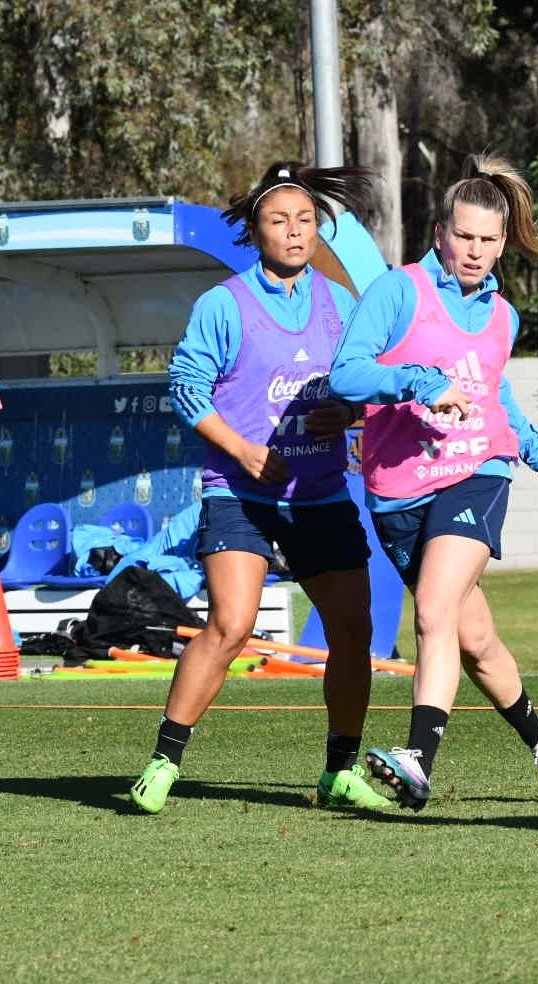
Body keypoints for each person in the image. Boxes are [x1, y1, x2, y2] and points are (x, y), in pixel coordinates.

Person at [329, 154, 538, 811]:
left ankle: (416, 760)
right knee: (474, 640)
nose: (475, 251)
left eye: (488, 240)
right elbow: (346, 376)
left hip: (478, 471)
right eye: (464, 236)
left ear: (503, 243)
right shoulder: (398, 292)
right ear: (439, 231)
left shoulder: (503, 315)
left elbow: (493, 391)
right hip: (396, 491)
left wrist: (532, 447)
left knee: (434, 613)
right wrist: (416, 383)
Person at [131, 161, 388, 814]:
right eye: (279, 221)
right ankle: (165, 759)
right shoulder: (224, 304)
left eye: (305, 221)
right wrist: (243, 448)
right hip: (239, 494)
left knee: (352, 630)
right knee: (232, 623)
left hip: (321, 496)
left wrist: (351, 412)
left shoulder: (341, 304)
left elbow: (366, 381)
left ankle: (339, 769)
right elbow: (185, 389)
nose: (295, 232)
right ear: (256, 230)